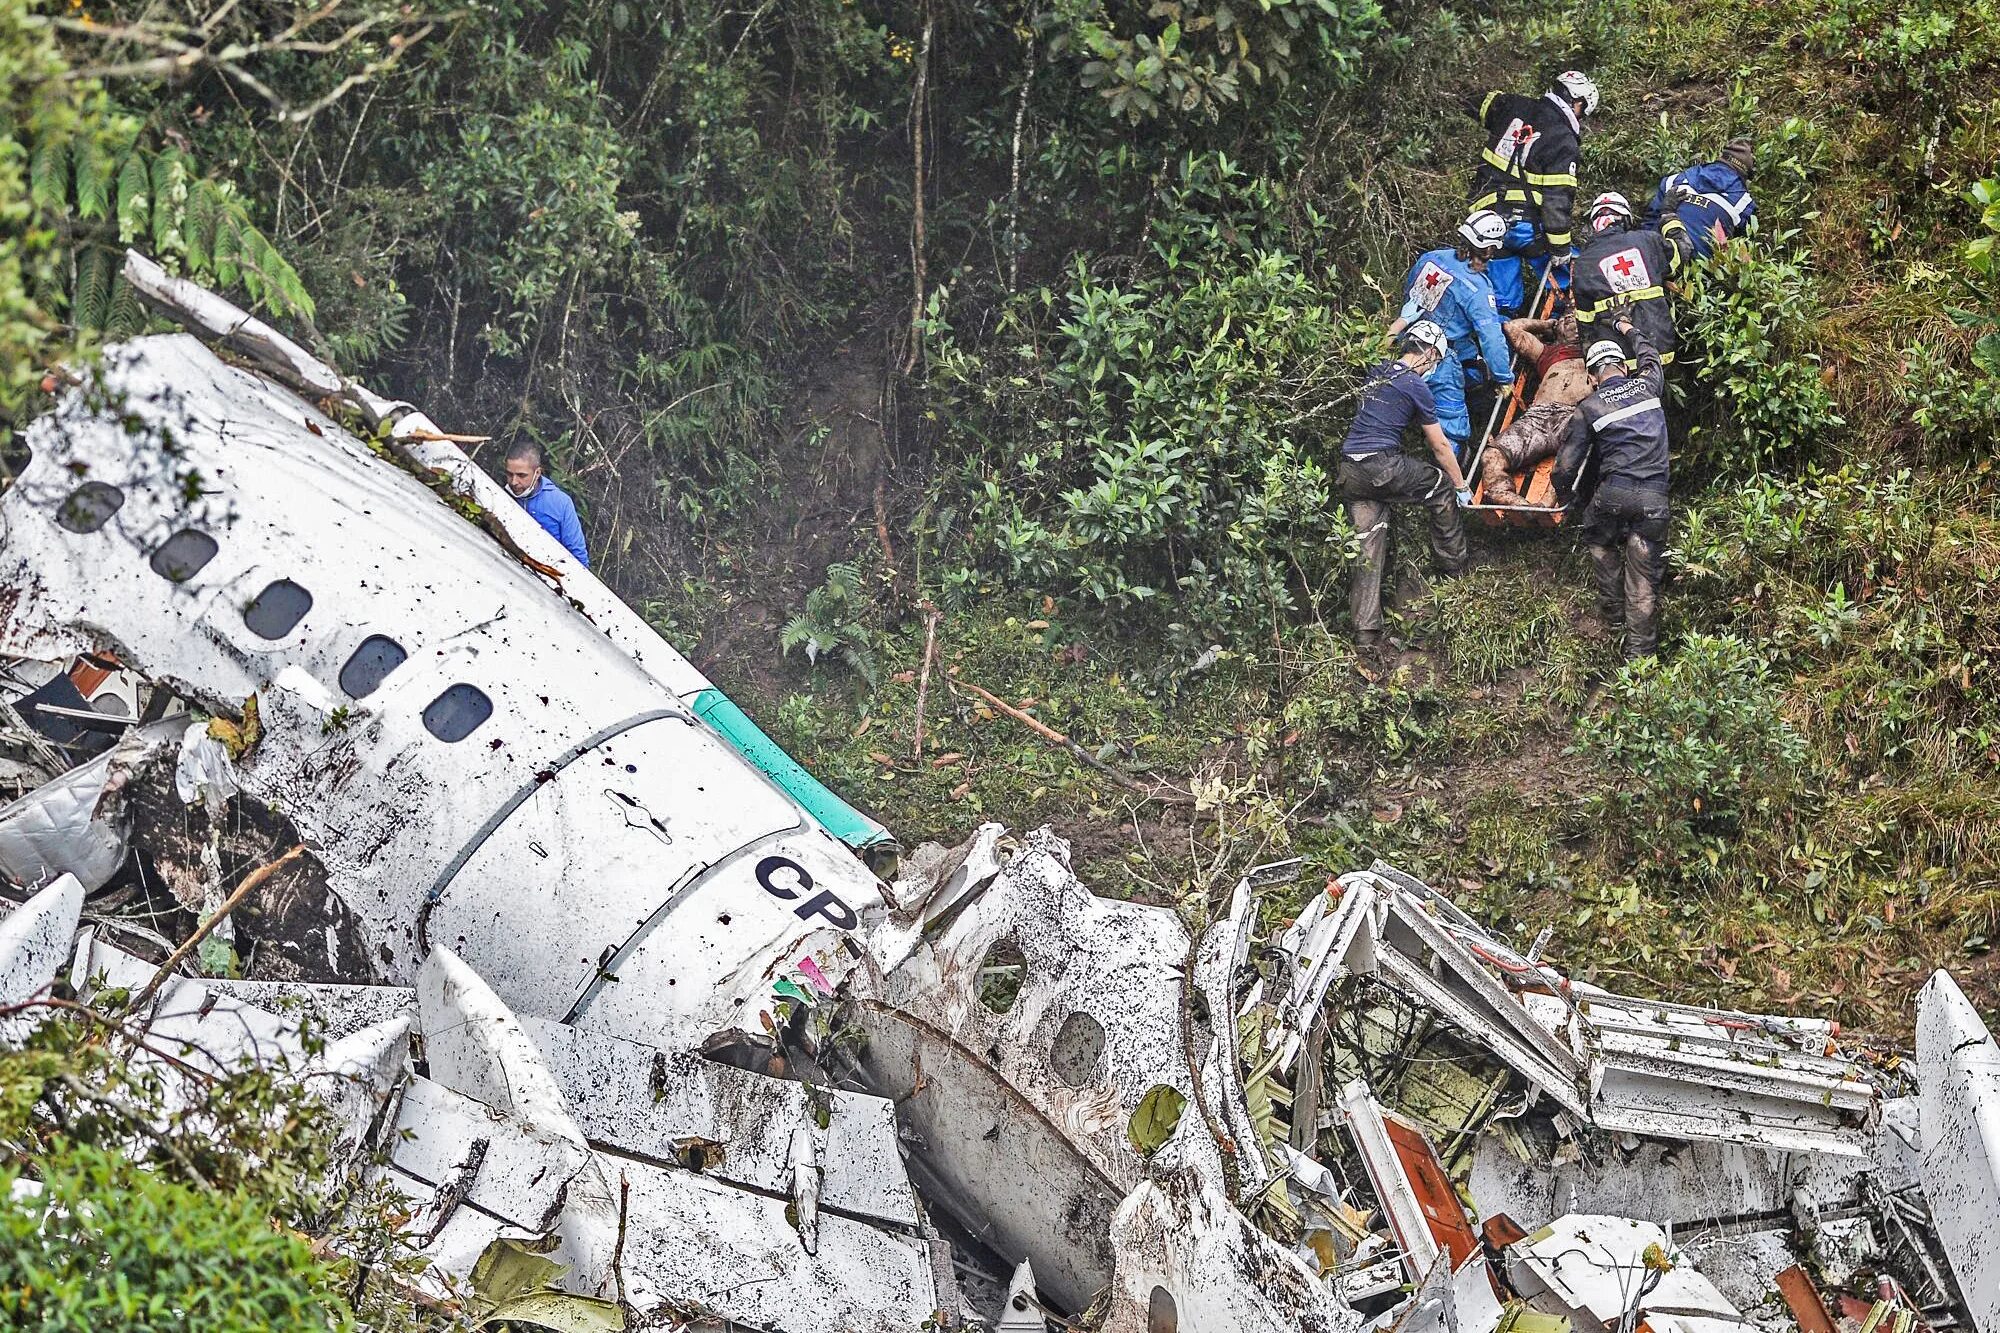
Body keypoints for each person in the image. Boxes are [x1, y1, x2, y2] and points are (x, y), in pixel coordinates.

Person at [1338, 320, 1473, 650]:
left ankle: (1366, 636)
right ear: (1428, 354)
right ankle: (1455, 568)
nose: (1434, 367)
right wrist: (1460, 484)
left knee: (1368, 544)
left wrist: (1399, 321)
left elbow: (1380, 340)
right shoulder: (1415, 385)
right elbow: (1439, 445)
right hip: (1380, 466)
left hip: (1349, 472)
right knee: (1439, 485)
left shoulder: (1376, 369)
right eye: (1436, 360)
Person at [1553, 314, 1669, 661]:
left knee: (1599, 541)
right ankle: (1640, 657)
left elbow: (1564, 467)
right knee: (1644, 576)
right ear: (1624, 366)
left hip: (1612, 496)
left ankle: (1614, 612)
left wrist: (1570, 500)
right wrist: (1625, 326)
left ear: (1591, 377)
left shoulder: (1588, 407)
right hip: (1653, 499)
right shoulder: (1649, 385)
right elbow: (1650, 354)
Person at [1467, 70, 1599, 317]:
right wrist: (1560, 249)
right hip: (1526, 228)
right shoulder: (1563, 139)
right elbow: (1557, 200)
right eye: (1583, 111)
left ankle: (1505, 340)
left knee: (1502, 300)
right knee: (1571, 278)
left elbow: (1468, 99)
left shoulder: (1512, 105)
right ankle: (1566, 330)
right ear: (1577, 102)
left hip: (1484, 220)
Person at [1388, 210, 1517, 457]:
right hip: (1439, 357)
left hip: (1406, 341)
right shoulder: (1477, 288)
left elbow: (1411, 296)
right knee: (1452, 428)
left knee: (1474, 371)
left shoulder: (1431, 258)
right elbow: (1491, 339)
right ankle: (1449, 480)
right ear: (1490, 249)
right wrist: (1503, 377)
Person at [1477, 312, 1592, 506]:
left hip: (1572, 416)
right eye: (1565, 319)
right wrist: (1546, 324)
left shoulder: (1598, 353)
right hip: (1537, 418)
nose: (1570, 320)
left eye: (1576, 318)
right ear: (1556, 331)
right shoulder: (1547, 352)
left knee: (1575, 450)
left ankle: (1546, 503)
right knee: (1491, 456)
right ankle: (1514, 501)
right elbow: (1511, 327)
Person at [1572, 191, 1691, 366]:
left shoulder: (1582, 263)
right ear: (1626, 219)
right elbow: (1683, 251)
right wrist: (1668, 214)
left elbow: (1586, 326)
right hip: (1659, 352)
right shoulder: (1647, 241)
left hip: (1617, 363)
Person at [1643, 138, 1756, 260]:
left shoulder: (1675, 180)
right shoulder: (1743, 202)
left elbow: (1648, 222)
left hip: (1650, 256)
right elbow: (1742, 247)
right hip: (1695, 270)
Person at [503, 440, 590, 568]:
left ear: (537, 473)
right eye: (510, 474)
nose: (514, 482)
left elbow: (579, 557)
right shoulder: (500, 494)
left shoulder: (560, 503)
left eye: (521, 475)